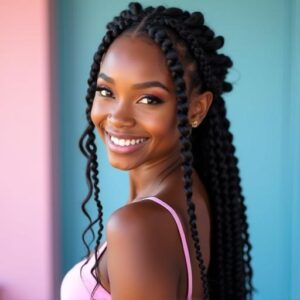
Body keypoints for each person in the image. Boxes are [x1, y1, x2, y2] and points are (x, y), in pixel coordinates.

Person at [60, 2, 254, 300]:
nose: (118, 118)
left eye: (149, 99)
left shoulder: (138, 226)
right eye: (106, 92)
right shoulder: (190, 195)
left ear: (197, 109)